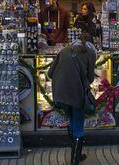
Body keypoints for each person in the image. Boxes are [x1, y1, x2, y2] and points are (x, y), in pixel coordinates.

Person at [48, 33, 97, 165]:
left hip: (60, 93)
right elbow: (91, 78)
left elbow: (50, 73)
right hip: (77, 93)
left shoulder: (65, 50)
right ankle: (75, 160)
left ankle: (76, 154)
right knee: (79, 125)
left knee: (72, 120)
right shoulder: (91, 52)